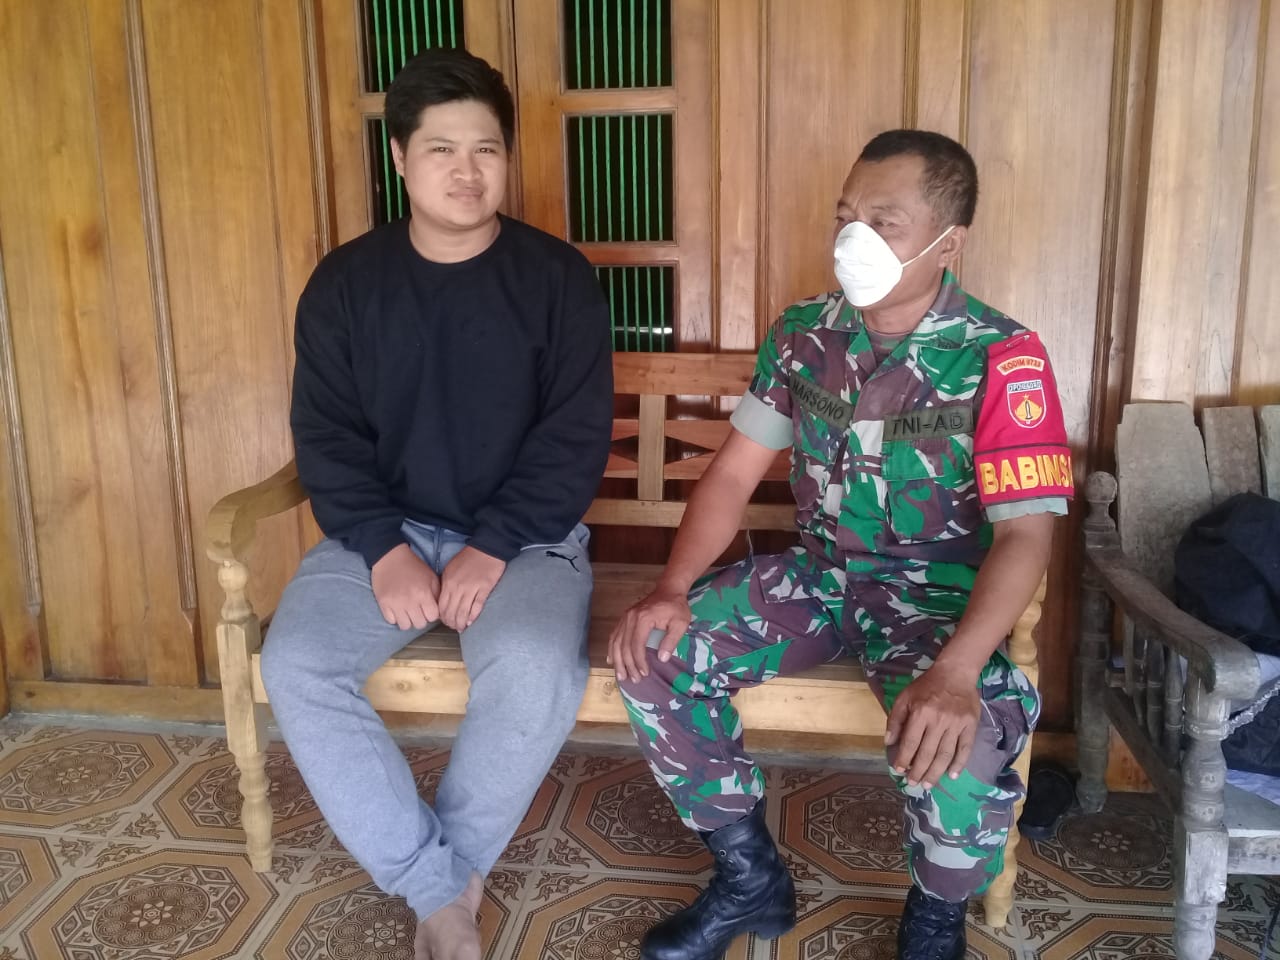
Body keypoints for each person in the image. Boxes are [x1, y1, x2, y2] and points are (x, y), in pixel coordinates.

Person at [609, 129, 1073, 960]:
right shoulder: (803, 336)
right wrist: (672, 588)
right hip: (819, 580)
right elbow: (733, 474)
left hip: (935, 600)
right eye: (846, 215)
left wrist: (957, 671)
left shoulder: (1004, 358)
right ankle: (748, 877)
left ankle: (934, 918)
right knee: (654, 653)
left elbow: (1026, 535)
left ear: (948, 242)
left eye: (884, 222)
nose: (853, 237)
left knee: (972, 734)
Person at [259, 48, 612, 960]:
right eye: (441, 149)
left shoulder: (557, 278)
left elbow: (573, 437)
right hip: (385, 531)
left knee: (535, 663)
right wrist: (384, 549)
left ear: (508, 158)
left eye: (486, 149)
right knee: (296, 662)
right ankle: (441, 889)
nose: (466, 171)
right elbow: (326, 435)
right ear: (401, 159)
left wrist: (493, 545)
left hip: (525, 540)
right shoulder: (346, 284)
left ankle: (443, 889)